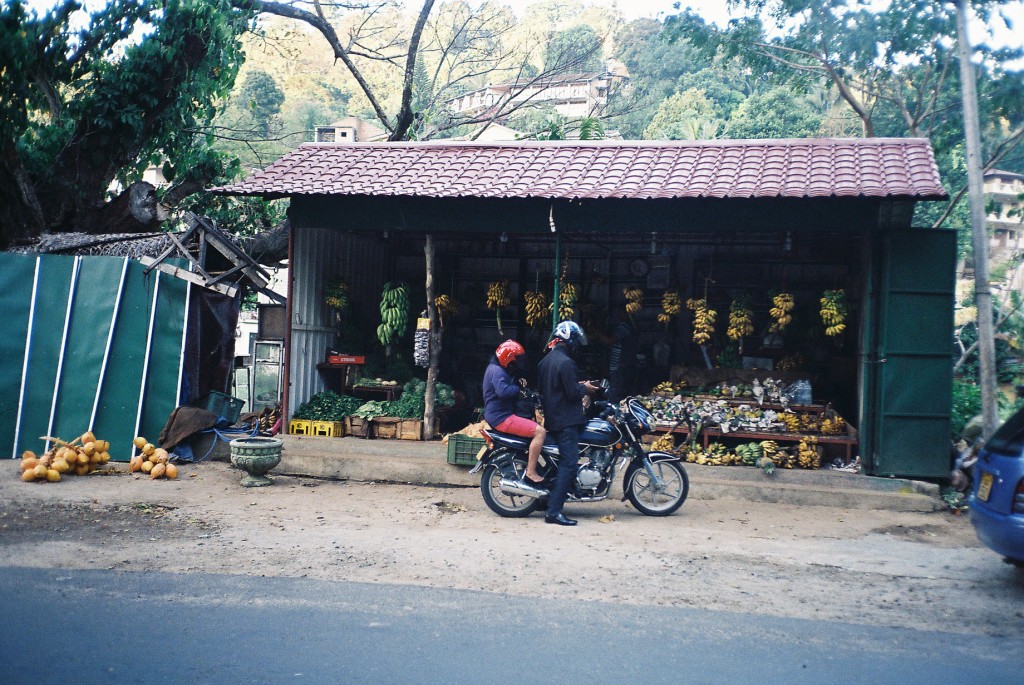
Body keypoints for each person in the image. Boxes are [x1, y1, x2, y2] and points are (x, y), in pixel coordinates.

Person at [537, 321, 599, 526]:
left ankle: (547, 499)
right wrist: (586, 388)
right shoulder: (566, 362)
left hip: (553, 418)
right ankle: (553, 512)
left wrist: (578, 385)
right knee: (569, 464)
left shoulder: (546, 361)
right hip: (566, 421)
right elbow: (572, 393)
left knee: (559, 464)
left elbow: (555, 388)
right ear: (569, 340)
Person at [482, 340, 546, 484]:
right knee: (540, 432)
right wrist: (518, 388)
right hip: (501, 417)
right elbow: (503, 391)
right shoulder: (497, 371)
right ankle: (530, 472)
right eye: (516, 358)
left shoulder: (494, 368)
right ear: (508, 358)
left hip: (500, 415)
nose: (518, 362)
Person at [605, 305, 637, 404]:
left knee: (616, 392)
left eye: (620, 312)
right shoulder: (626, 326)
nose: (618, 314)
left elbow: (611, 341)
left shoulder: (624, 326)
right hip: (621, 365)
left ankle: (614, 411)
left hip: (619, 366)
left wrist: (597, 333)